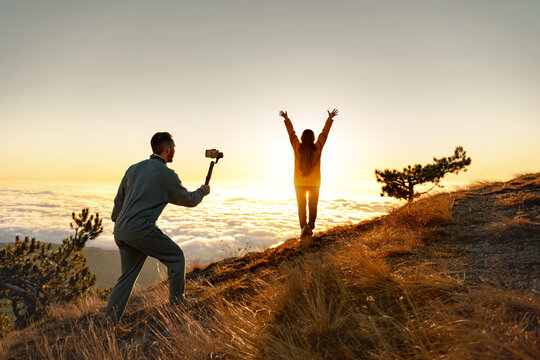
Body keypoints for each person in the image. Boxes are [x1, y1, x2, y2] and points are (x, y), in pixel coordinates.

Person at [105, 132, 210, 323]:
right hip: (141, 230)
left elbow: (118, 201)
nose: (174, 151)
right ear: (167, 148)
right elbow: (189, 200)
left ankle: (109, 322)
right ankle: (177, 306)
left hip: (121, 230)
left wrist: (120, 223)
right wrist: (203, 190)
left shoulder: (133, 169)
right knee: (176, 257)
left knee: (126, 277)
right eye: (174, 148)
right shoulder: (166, 174)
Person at [280, 109, 338, 237]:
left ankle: (303, 227)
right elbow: (324, 133)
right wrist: (329, 119)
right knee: (313, 206)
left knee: (301, 206)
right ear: (313, 138)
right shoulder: (317, 147)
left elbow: (291, 134)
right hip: (315, 183)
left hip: (299, 183)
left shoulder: (297, 147)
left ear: (301, 138)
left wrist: (286, 119)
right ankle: (310, 227)